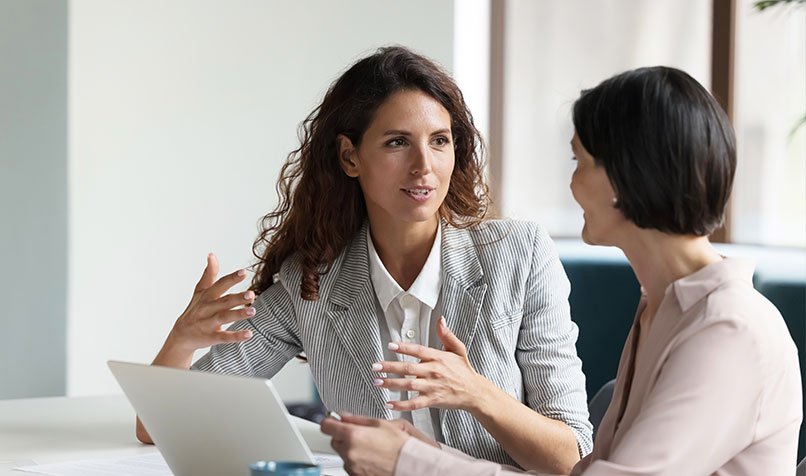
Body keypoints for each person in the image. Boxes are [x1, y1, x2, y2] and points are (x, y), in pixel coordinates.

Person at [321, 66, 803, 476]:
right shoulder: (663, 309)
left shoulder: (728, 330)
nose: (571, 181)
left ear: (626, 176)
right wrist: (423, 453)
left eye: (580, 160)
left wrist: (411, 462)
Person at [135, 46, 593, 474]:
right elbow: (155, 427)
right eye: (397, 142)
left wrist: (478, 396)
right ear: (349, 156)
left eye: (439, 141)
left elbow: (574, 457)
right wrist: (182, 339)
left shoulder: (519, 255)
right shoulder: (311, 282)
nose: (423, 166)